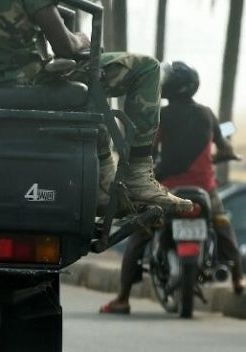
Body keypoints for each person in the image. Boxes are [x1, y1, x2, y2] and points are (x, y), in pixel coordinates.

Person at [0, 0, 192, 213]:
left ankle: (105, 182)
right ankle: (137, 177)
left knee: (86, 83)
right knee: (147, 68)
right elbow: (64, 45)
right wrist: (82, 39)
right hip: (22, 78)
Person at [99, 62, 244, 314]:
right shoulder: (208, 114)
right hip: (204, 189)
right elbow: (226, 149)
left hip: (168, 189)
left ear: (174, 88)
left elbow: (150, 151)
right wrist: (216, 159)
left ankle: (122, 298)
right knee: (222, 225)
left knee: (140, 234)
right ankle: (237, 279)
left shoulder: (161, 116)